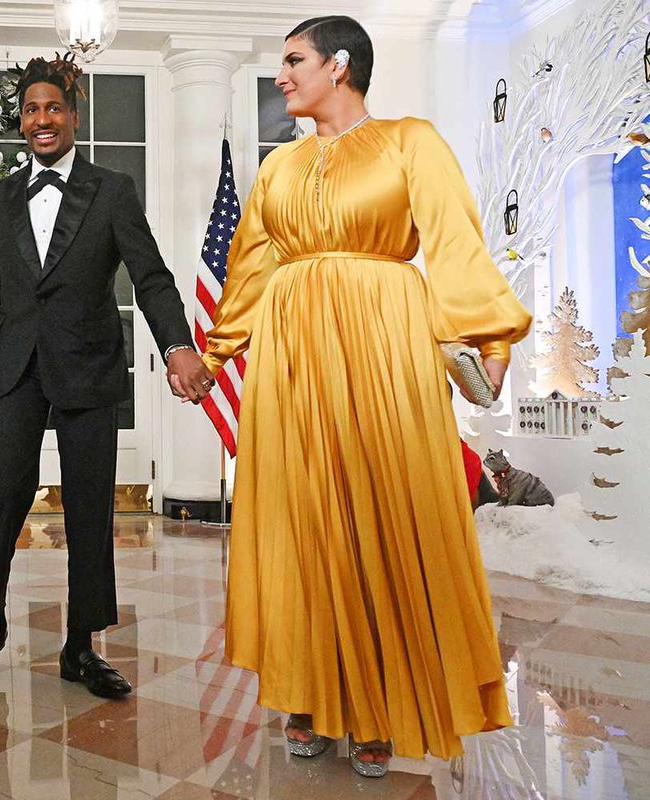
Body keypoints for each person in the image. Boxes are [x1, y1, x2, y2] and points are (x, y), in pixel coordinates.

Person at [194, 16, 531, 775]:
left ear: (339, 65)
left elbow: (453, 242)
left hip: (385, 343)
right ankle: (310, 695)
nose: (281, 76)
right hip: (291, 357)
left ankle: (376, 708)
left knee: (380, 511)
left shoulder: (411, 141)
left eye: (294, 61)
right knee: (305, 518)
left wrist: (492, 340)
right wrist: (216, 357)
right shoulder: (278, 169)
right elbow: (249, 267)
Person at [0, 55, 209, 698]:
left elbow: (152, 274)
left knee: (87, 513)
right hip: (18, 368)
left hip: (89, 369)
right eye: (30, 110)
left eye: (53, 108)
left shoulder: (112, 190)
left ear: (73, 117)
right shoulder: (2, 196)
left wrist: (179, 346)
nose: (41, 119)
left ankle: (80, 647)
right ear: (19, 123)